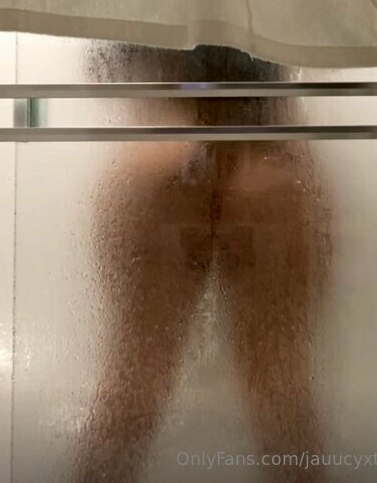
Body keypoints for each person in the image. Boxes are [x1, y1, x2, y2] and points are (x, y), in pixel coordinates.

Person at [74, 42, 333, 483]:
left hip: (166, 136)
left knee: (130, 391)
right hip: (268, 145)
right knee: (282, 393)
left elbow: (106, 57)